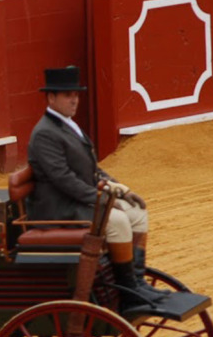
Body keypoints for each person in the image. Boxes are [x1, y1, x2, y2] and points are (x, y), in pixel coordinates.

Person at [26, 66, 164, 311]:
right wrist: (101, 198)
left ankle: (137, 281)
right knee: (119, 220)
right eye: (68, 95)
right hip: (60, 208)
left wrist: (120, 188)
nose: (74, 99)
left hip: (78, 200)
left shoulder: (68, 125)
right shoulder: (44, 133)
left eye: (76, 95)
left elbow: (92, 170)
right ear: (51, 98)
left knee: (136, 212)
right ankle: (129, 290)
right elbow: (63, 179)